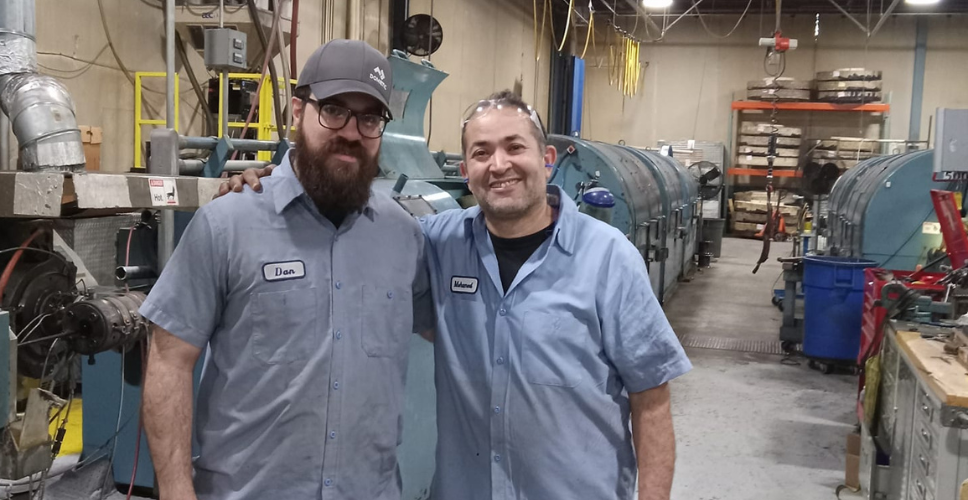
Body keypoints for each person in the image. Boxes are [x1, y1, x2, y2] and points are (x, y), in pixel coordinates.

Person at [222, 91, 691, 500]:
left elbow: (651, 402)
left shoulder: (609, 259)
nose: (499, 165)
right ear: (466, 171)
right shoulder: (435, 242)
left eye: (514, 147)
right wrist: (275, 186)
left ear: (547, 159)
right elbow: (355, 233)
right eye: (482, 153)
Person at [140, 39, 432, 500]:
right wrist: (177, 491)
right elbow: (169, 360)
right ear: (298, 110)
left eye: (369, 118)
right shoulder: (228, 223)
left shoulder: (403, 235)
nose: (352, 132)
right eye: (333, 110)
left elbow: (457, 327)